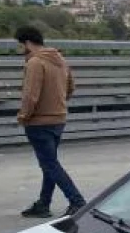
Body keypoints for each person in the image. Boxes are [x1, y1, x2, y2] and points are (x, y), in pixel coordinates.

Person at [14, 26, 87, 218]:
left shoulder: (35, 63)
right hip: (58, 119)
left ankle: (77, 201)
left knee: (49, 164)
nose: (20, 49)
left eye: (20, 45)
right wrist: (57, 103)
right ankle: (43, 204)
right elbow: (71, 88)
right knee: (50, 164)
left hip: (39, 122)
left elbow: (31, 96)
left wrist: (24, 116)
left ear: (27, 43)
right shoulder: (60, 59)